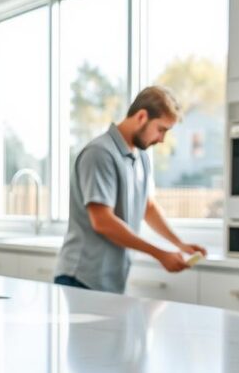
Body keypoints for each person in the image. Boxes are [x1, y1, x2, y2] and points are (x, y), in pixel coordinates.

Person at [54, 86, 207, 293]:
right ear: (142, 116)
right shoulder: (99, 154)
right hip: (80, 278)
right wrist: (160, 254)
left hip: (111, 280)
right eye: (161, 129)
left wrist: (180, 244)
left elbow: (148, 207)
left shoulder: (141, 157)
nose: (162, 139)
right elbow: (102, 222)